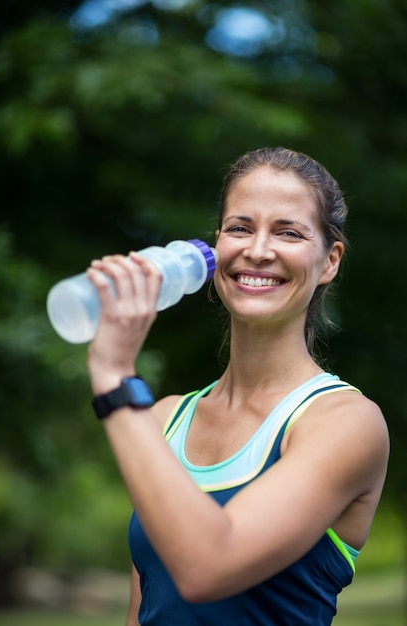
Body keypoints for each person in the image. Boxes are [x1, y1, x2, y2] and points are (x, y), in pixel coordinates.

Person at [86, 147, 389, 625]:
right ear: (215, 245)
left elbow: (208, 567)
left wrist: (115, 377)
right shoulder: (163, 418)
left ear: (329, 261)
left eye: (288, 232)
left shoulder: (345, 423)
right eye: (240, 227)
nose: (258, 250)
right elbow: (144, 610)